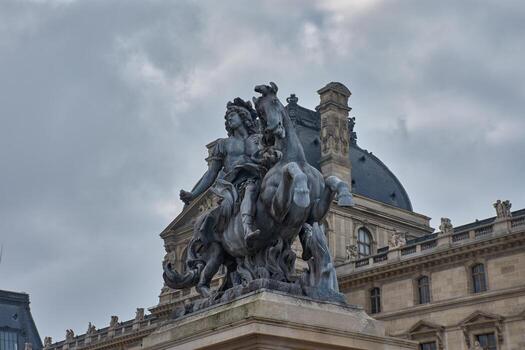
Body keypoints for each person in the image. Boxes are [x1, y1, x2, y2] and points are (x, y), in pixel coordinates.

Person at [179, 98, 262, 240]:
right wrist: (193, 195)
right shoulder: (223, 144)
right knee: (238, 197)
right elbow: (212, 173)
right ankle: (243, 230)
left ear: (243, 116)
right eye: (227, 118)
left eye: (232, 116)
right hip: (231, 184)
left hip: (256, 177)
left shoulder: (258, 139)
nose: (229, 120)